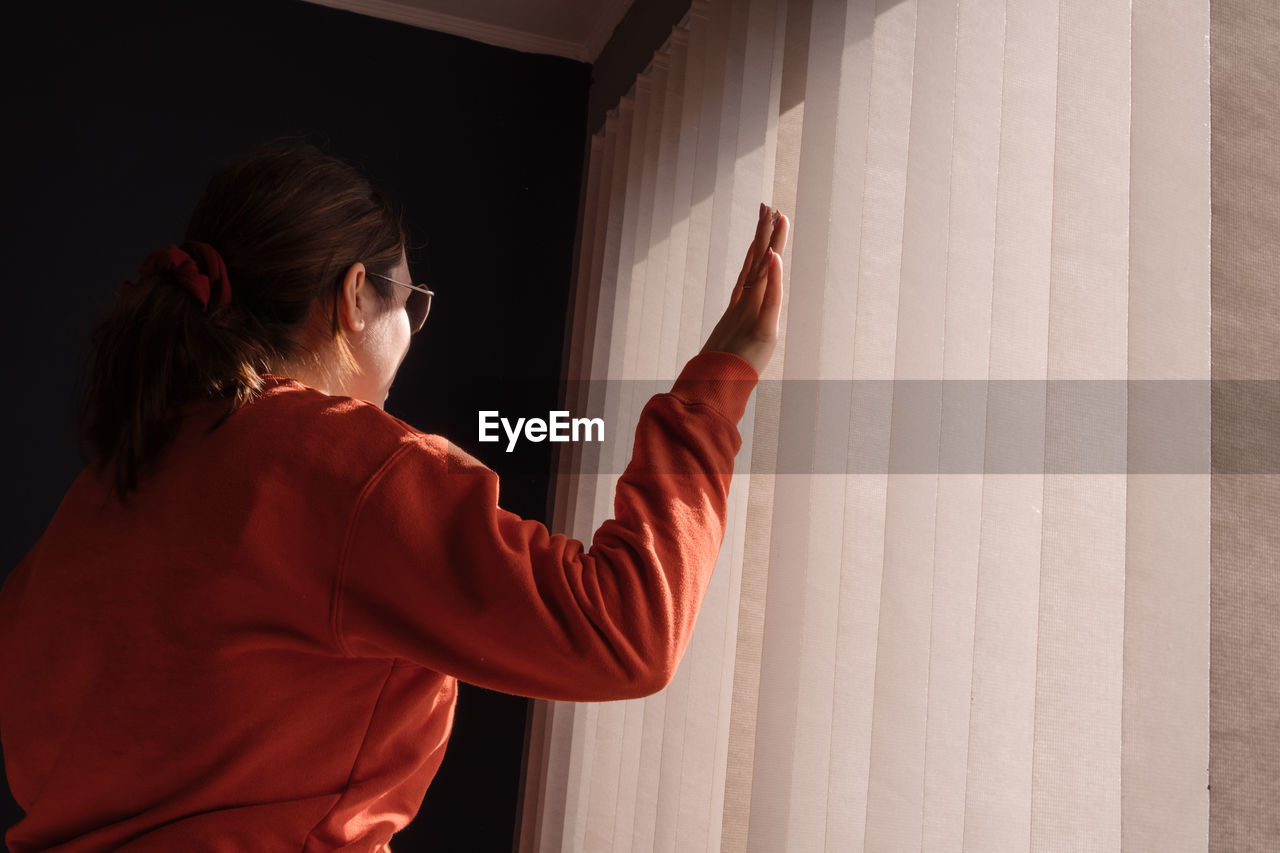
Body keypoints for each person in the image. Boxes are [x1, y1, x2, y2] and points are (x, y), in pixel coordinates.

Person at [0, 143, 788, 851]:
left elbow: (38, 759)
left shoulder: (106, 487)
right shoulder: (344, 468)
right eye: (411, 304)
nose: (413, 331)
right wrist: (714, 392)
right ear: (352, 298)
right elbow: (626, 627)